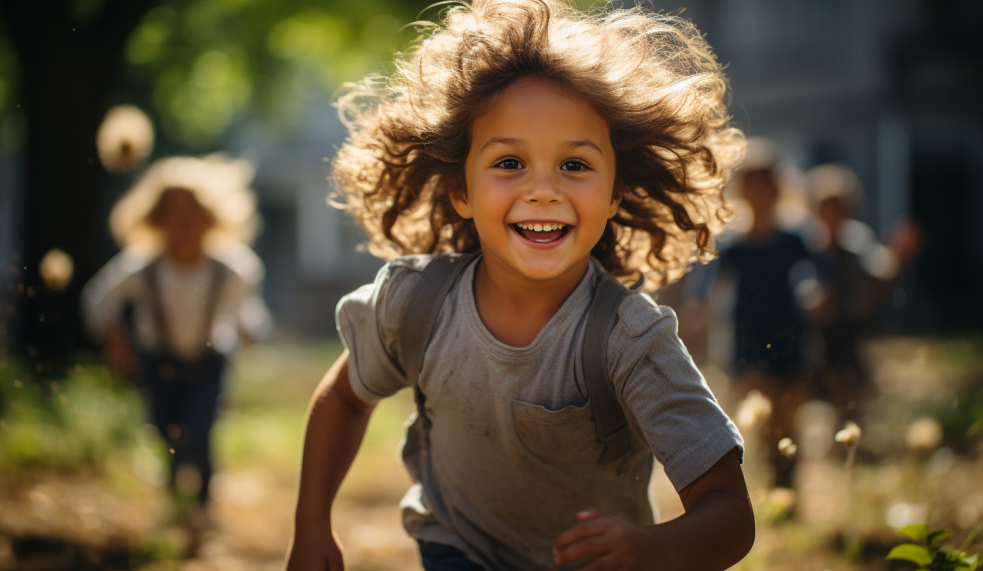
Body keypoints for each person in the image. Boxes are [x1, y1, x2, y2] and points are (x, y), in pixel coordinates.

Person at [287, 0, 753, 569]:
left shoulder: (630, 340)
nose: (543, 191)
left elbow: (730, 511)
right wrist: (311, 527)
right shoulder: (414, 304)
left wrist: (654, 548)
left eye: (575, 165)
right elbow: (345, 398)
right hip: (455, 546)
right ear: (461, 190)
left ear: (614, 195)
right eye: (509, 163)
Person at [82, 154, 272, 538]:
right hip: (158, 359)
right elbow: (98, 300)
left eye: (193, 212)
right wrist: (114, 337)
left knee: (199, 428)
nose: (184, 222)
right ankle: (174, 498)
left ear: (211, 218)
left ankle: (201, 504)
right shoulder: (140, 265)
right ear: (155, 219)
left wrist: (251, 330)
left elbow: (247, 312)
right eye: (173, 212)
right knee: (166, 430)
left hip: (210, 358)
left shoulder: (233, 267)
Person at [682, 138, 817, 491]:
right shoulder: (734, 247)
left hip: (788, 336)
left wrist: (816, 295)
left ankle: (787, 484)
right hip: (749, 339)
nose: (759, 195)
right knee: (763, 419)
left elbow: (810, 277)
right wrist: (699, 308)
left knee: (788, 420)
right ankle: (772, 486)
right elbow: (709, 284)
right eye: (752, 187)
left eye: (765, 187)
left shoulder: (794, 241)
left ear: (776, 191)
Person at [805, 162, 920, 421]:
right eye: (826, 207)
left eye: (839, 208)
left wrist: (898, 258)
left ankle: (848, 440)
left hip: (849, 331)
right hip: (811, 335)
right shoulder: (806, 245)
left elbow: (880, 273)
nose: (833, 215)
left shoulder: (857, 241)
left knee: (850, 392)